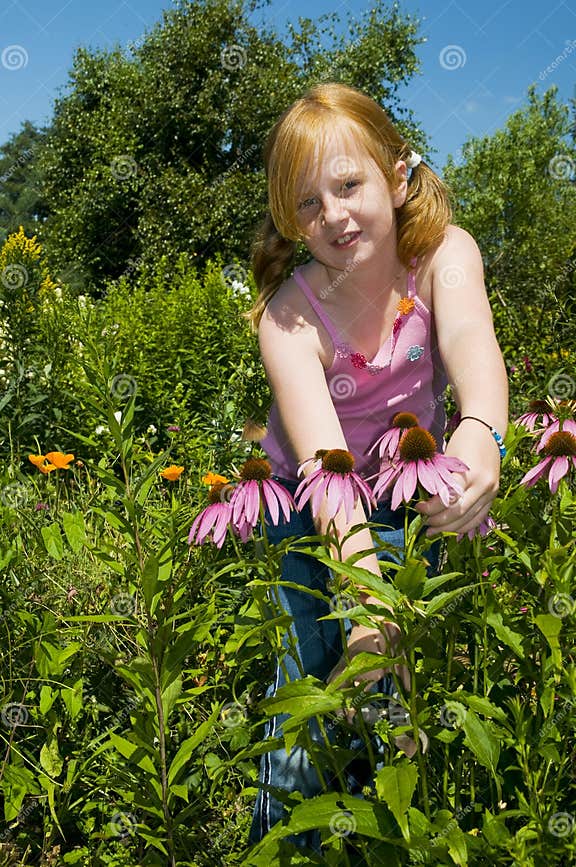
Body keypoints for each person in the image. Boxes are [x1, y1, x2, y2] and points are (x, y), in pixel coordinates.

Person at [245, 82, 508, 850]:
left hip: (408, 486)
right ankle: (284, 835)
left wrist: (480, 436)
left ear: (396, 174)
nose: (334, 216)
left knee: (408, 689)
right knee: (313, 670)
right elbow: (327, 476)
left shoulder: (444, 256)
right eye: (306, 203)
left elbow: (472, 347)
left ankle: (387, 833)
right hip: (311, 505)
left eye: (349, 184)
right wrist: (363, 612)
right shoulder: (288, 316)